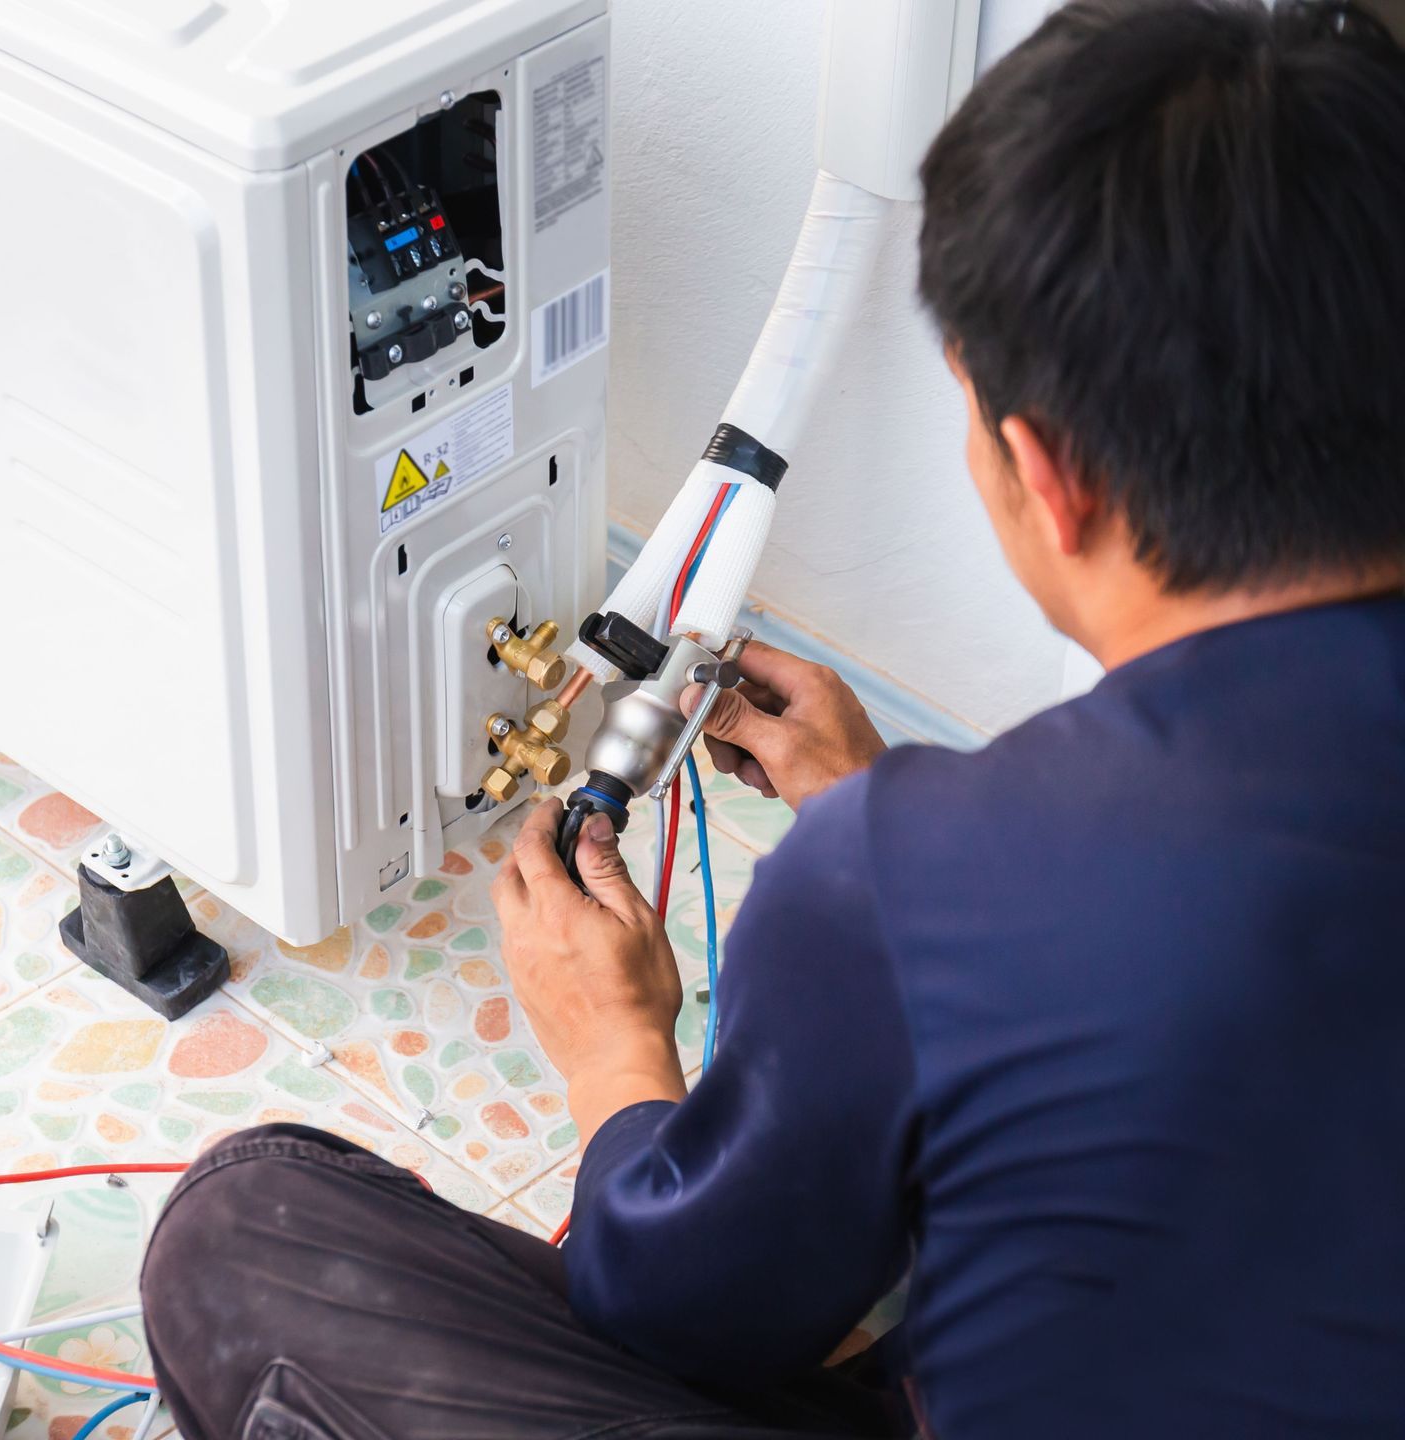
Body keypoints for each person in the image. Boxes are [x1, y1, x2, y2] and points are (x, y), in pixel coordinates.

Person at [139, 2, 1405, 1435]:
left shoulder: (906, 880)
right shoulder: (931, 866)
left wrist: (614, 1044)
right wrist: (913, 827)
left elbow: (684, 1316)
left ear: (1046, 477)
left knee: (246, 1228)